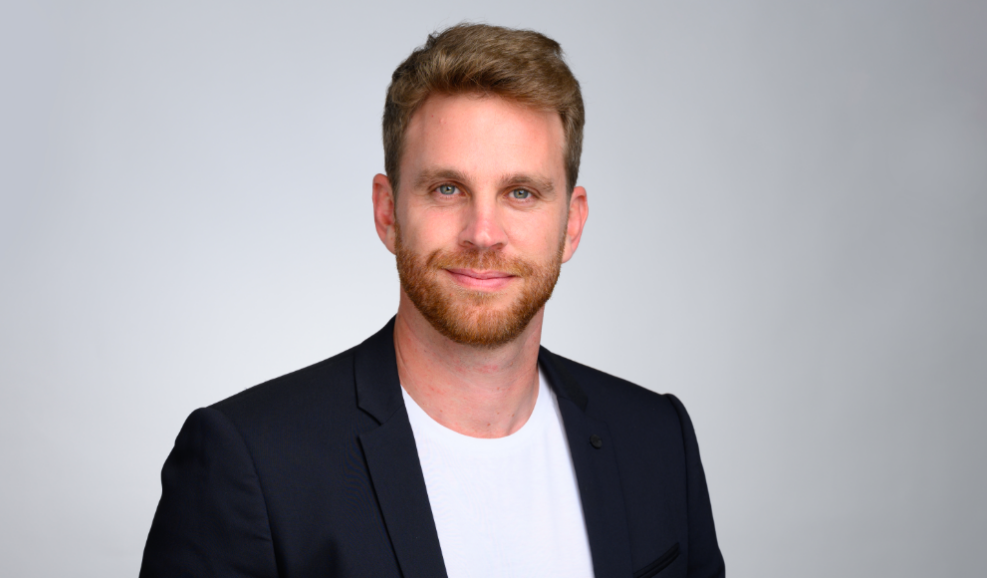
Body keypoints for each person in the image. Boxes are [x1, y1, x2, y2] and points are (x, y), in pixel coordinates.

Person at [139, 23, 724, 578]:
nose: (483, 232)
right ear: (388, 212)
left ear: (571, 225)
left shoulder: (656, 441)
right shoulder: (251, 464)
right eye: (447, 188)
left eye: (521, 192)